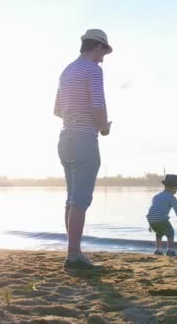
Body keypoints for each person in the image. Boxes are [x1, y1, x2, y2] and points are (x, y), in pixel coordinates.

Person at [54, 29, 113, 269]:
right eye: (104, 51)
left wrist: (75, 117)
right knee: (80, 200)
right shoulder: (93, 70)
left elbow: (57, 110)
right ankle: (74, 254)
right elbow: (97, 102)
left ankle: (73, 251)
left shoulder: (67, 71)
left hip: (65, 138)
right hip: (83, 139)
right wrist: (103, 127)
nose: (104, 57)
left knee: (71, 199)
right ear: (97, 47)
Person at [146, 174, 177, 256]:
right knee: (170, 232)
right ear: (173, 187)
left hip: (151, 218)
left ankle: (158, 250)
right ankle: (170, 250)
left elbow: (153, 211)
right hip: (160, 219)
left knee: (159, 232)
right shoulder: (171, 198)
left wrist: (151, 224)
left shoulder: (157, 196)